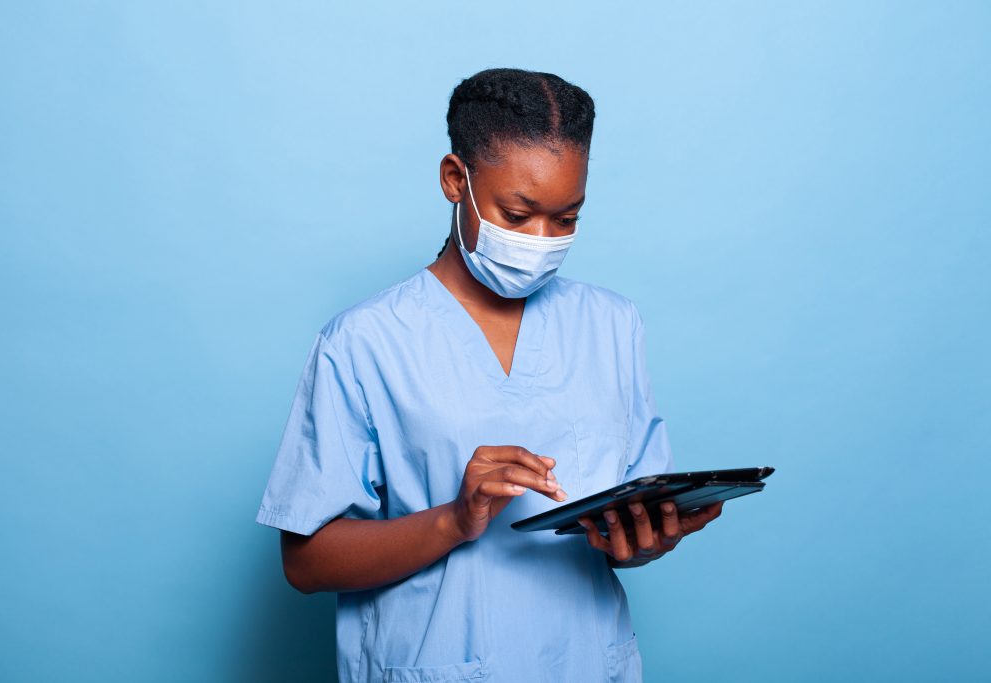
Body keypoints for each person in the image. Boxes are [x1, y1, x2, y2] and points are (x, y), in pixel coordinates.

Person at [255, 67, 724, 683]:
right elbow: (307, 563)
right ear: (456, 181)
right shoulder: (363, 343)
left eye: (567, 219)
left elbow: (624, 522)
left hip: (585, 663)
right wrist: (455, 519)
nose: (542, 240)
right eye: (519, 213)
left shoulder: (612, 325)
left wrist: (645, 539)